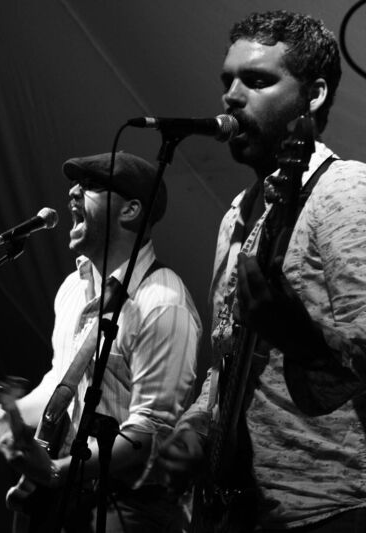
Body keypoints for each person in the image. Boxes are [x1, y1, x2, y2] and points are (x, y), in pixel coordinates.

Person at [156, 10, 366, 532]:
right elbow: (228, 364)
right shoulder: (238, 213)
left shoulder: (345, 193)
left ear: (313, 96)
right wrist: (196, 430)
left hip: (331, 508)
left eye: (256, 80)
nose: (231, 95)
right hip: (240, 513)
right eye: (228, 80)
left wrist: (299, 338)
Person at [0, 152, 201, 532]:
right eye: (76, 183)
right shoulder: (72, 287)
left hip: (126, 508)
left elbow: (149, 434)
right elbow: (61, 381)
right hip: (66, 498)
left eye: (93, 186)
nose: (73, 192)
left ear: (130, 210)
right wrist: (11, 412)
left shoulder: (163, 303)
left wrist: (58, 471)